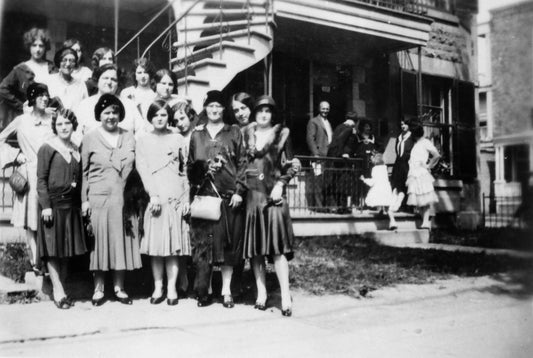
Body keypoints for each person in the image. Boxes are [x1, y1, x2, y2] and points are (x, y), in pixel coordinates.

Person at [187, 90, 246, 308]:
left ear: (223, 109)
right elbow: (190, 167)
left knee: (229, 245)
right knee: (205, 246)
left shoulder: (233, 132)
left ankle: (227, 290)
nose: (214, 110)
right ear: (205, 108)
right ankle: (205, 289)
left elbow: (242, 163)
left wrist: (240, 191)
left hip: (229, 196)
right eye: (210, 106)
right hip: (204, 197)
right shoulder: (197, 134)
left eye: (218, 106)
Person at [242, 95, 300, 317]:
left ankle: (285, 295)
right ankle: (261, 293)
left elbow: (293, 164)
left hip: (273, 196)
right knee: (256, 249)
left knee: (277, 249)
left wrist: (281, 184)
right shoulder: (246, 133)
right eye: (259, 111)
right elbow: (242, 164)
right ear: (254, 114)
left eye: (268, 111)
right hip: (252, 197)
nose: (263, 114)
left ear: (273, 114)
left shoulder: (282, 134)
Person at [81, 94, 141, 306]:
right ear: (100, 115)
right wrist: (84, 201)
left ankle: (119, 287)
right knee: (100, 244)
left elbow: (135, 165)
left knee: (121, 243)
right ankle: (98, 289)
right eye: (106, 112)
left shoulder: (129, 136)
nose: (111, 116)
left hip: (124, 199)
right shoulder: (90, 138)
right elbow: (84, 173)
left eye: (115, 112)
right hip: (99, 198)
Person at [137, 101, 190, 305]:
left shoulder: (177, 138)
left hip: (175, 196)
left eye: (164, 115)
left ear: (169, 117)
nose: (160, 118)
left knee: (173, 248)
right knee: (157, 247)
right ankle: (158, 287)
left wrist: (186, 197)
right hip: (155, 198)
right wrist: (153, 195)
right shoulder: (142, 140)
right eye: (156, 115)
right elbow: (143, 169)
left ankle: (172, 289)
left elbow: (184, 170)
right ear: (150, 117)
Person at [0, 83, 55, 270]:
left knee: (49, 217)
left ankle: (50, 259)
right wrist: (16, 155)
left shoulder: (53, 119)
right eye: (39, 95)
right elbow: (1, 139)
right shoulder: (22, 121)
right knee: (31, 220)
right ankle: (35, 261)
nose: (44, 98)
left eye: (46, 95)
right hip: (30, 173)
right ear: (31, 98)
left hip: (51, 173)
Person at [36, 108, 87, 309]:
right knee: (52, 250)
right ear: (54, 127)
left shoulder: (76, 148)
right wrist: (46, 206)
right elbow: (41, 180)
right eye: (59, 124)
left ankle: (62, 289)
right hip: (54, 206)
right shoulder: (47, 147)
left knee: (66, 251)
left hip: (72, 207)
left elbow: (81, 180)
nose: (64, 127)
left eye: (67, 123)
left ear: (73, 125)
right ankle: (58, 291)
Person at [73, 63, 146, 145]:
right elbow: (76, 134)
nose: (109, 82)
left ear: (118, 83)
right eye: (105, 78)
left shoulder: (129, 105)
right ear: (97, 81)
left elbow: (141, 132)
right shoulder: (85, 105)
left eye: (113, 79)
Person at [0, 28, 54, 128]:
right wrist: (22, 106)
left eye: (41, 46)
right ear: (29, 46)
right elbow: (2, 89)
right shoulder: (20, 69)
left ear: (45, 47)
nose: (38, 49)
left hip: (49, 118)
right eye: (34, 45)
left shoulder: (52, 67)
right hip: (30, 118)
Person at [405, 121, 441, 230]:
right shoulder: (416, 144)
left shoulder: (426, 142)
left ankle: (426, 221)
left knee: (424, 198)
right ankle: (424, 221)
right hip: (413, 173)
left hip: (421, 173)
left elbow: (436, 155)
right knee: (418, 199)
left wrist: (428, 165)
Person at [326, 112, 358, 213]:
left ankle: (341, 207)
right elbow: (340, 141)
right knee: (344, 185)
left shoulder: (339, 127)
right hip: (342, 161)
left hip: (336, 161)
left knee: (340, 184)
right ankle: (343, 208)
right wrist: (343, 153)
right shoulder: (348, 128)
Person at [305, 101, 332, 210]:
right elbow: (310, 139)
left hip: (327, 157)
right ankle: (318, 207)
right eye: (323, 108)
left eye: (327, 109)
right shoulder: (314, 121)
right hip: (318, 158)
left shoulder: (328, 122)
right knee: (318, 182)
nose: (325, 111)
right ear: (319, 109)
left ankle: (324, 206)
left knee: (325, 182)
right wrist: (315, 154)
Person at [388, 118, 414, 227]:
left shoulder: (412, 137)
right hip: (398, 163)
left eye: (405, 124)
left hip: (407, 163)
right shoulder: (399, 137)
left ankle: (397, 205)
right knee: (395, 184)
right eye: (402, 124)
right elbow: (397, 151)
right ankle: (392, 205)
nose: (403, 126)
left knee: (403, 185)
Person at [359, 152, 394, 226]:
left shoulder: (375, 169)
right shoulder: (384, 167)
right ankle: (392, 220)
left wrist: (364, 179)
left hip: (379, 188)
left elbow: (373, 181)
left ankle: (382, 214)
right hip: (386, 187)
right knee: (386, 204)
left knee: (379, 200)